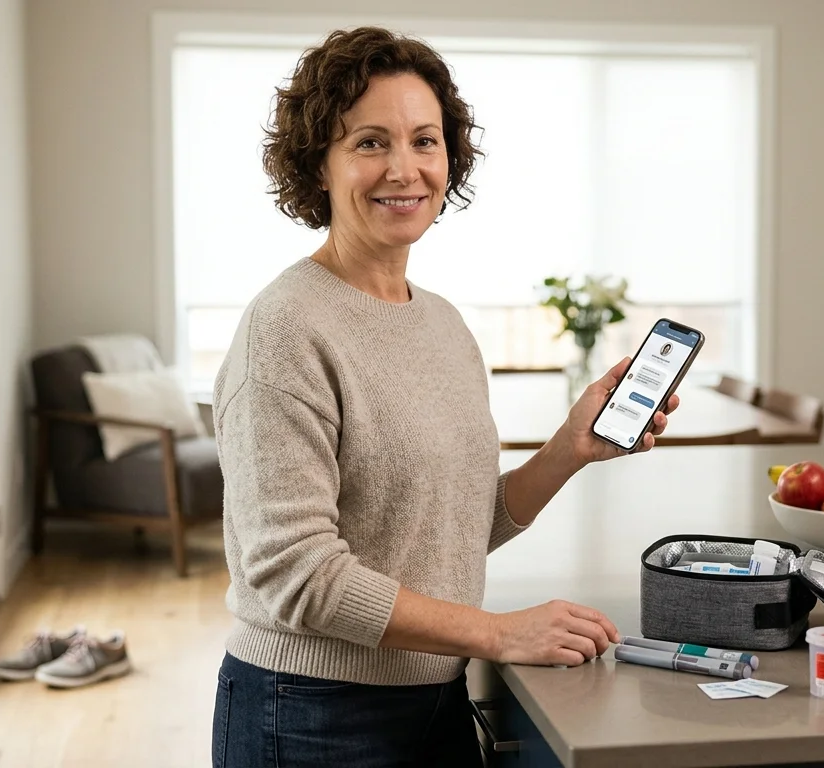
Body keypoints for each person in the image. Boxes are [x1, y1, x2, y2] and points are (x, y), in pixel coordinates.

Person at [209, 26, 680, 767]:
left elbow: (445, 531)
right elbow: (294, 572)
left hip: (433, 699)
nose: (405, 169)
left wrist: (569, 450)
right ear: (319, 166)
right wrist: (497, 632)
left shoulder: (441, 321)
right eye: (370, 142)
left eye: (424, 141)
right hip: (307, 714)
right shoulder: (286, 328)